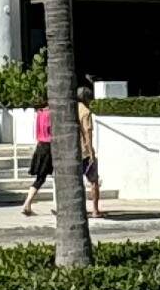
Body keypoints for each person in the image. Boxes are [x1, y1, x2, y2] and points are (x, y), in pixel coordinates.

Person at [19, 90, 106, 219]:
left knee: (54, 179)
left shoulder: (51, 112)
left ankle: (47, 205)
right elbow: (83, 132)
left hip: (52, 147)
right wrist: (89, 150)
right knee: (88, 180)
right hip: (69, 149)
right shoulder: (79, 112)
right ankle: (93, 209)